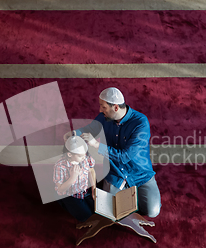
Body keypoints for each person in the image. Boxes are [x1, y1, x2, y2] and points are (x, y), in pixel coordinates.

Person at [64, 87, 161, 218]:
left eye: (103, 107)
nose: (100, 110)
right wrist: (75, 133)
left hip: (140, 174)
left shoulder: (140, 123)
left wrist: (97, 145)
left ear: (115, 107)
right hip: (115, 173)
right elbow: (90, 129)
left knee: (152, 211)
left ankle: (135, 196)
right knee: (110, 211)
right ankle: (128, 198)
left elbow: (125, 156)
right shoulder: (104, 117)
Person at [53, 135, 96, 222]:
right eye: (80, 156)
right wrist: (72, 177)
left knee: (98, 212)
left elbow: (91, 170)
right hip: (71, 195)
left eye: (85, 154)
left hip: (85, 190)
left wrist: (93, 188)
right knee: (88, 218)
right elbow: (60, 189)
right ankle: (64, 203)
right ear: (69, 154)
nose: (84, 158)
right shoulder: (60, 166)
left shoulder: (85, 157)